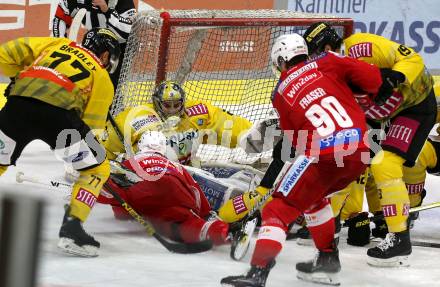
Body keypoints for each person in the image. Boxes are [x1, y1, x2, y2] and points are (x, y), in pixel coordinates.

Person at [221, 33, 381, 286]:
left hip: (324, 154)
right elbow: (373, 80)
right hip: (361, 150)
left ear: (281, 61)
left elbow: (296, 142)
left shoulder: (281, 92)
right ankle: (327, 261)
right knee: (314, 199)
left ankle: (257, 274)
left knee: (277, 208)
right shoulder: (328, 61)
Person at [303, 22, 437, 266]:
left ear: (329, 47)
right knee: (343, 158)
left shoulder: (362, 47)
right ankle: (328, 224)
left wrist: (395, 77)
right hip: (376, 116)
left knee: (385, 164)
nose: (312, 63)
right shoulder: (326, 75)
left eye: (314, 55)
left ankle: (399, 237)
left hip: (413, 107)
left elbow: (413, 58)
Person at [0, 27, 120, 257]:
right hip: (60, 118)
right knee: (97, 167)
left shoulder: (54, 44)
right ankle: (72, 229)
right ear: (105, 55)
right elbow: (92, 130)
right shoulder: (102, 77)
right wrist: (92, 159)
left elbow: (4, 54)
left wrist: (18, 79)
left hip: (17, 106)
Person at [98, 130, 231, 246]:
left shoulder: (129, 162)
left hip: (145, 190)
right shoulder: (174, 165)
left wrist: (116, 207)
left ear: (140, 147)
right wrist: (205, 214)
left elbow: (111, 189)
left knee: (122, 191)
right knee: (185, 222)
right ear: (163, 148)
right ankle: (223, 232)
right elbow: (195, 189)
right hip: (174, 187)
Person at [103, 80, 252, 165]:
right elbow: (106, 147)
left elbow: (226, 124)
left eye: (177, 104)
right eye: (167, 105)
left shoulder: (196, 113)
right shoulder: (137, 118)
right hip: (146, 175)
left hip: (184, 173)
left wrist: (251, 133)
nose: (173, 110)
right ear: (157, 104)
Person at [52, 0, 136, 88]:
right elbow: (60, 17)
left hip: (117, 48)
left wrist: (107, 11)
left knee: (110, 88)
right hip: (92, 41)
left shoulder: (122, 2)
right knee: (84, 84)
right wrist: (60, 42)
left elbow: (129, 30)